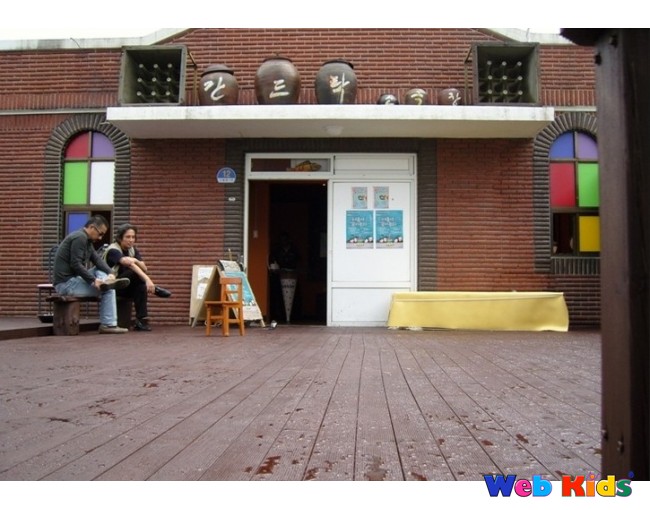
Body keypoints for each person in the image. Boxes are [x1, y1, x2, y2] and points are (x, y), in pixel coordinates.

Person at [53, 215, 131, 334]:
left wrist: (110, 273)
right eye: (100, 234)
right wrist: (93, 280)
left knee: (100, 272)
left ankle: (107, 281)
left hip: (74, 280)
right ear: (92, 227)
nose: (100, 238)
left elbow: (97, 260)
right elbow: (76, 264)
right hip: (66, 285)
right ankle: (108, 324)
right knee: (108, 290)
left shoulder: (87, 241)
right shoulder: (80, 238)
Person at [104, 223, 171, 331]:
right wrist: (148, 280)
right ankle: (155, 289)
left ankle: (141, 322)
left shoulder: (132, 250)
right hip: (112, 287)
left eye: (133, 237)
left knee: (141, 287)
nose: (131, 240)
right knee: (134, 272)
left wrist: (135, 259)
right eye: (128, 237)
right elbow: (129, 264)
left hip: (126, 286)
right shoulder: (113, 250)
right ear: (120, 238)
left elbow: (144, 268)